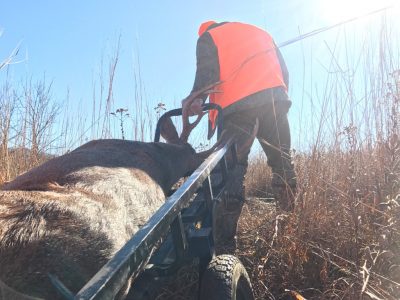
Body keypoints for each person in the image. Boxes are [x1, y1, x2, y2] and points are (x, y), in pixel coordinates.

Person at [182, 21, 297, 240]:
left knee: (230, 170)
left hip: (237, 109)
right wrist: (278, 103)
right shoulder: (262, 32)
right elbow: (284, 72)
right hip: (276, 102)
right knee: (283, 163)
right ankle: (288, 230)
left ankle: (224, 242)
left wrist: (196, 98)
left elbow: (207, 73)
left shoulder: (209, 36)